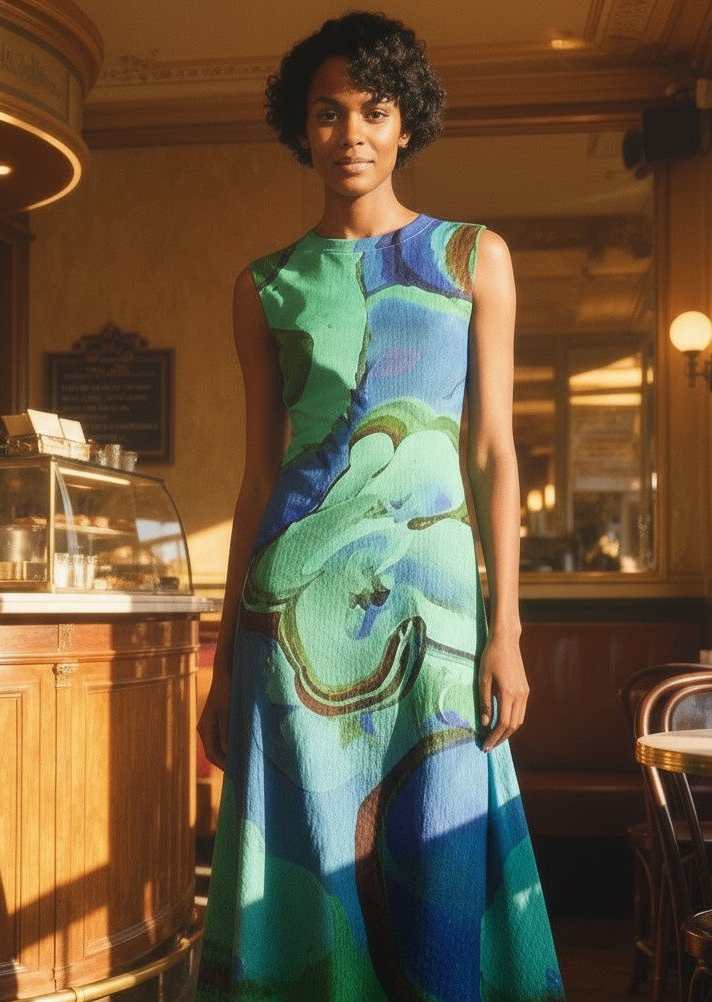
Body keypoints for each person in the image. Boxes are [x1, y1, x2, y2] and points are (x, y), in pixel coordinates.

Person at [197, 11, 564, 1001]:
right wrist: (226, 658)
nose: (351, 132)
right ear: (301, 128)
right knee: (311, 839)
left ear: (407, 124)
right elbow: (256, 479)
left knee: (443, 826)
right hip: (291, 610)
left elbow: (492, 450)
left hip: (436, 606)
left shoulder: (472, 257)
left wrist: (506, 628)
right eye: (328, 113)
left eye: (374, 109)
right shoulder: (265, 286)